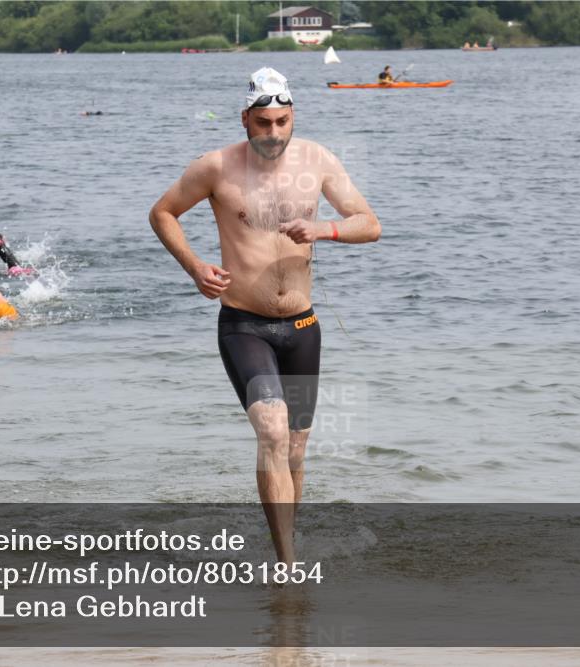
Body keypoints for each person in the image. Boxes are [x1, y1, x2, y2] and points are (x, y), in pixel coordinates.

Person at [149, 67, 380, 566]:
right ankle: (289, 563)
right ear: (245, 119)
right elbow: (162, 212)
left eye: (282, 121)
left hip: (302, 329)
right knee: (272, 431)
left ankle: (285, 549)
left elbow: (369, 223)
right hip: (244, 326)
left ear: (293, 116)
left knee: (295, 449)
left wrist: (325, 230)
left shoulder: (318, 160)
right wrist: (194, 267)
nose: (273, 132)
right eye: (263, 122)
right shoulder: (215, 168)